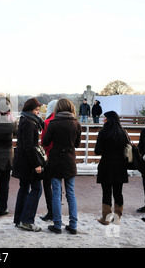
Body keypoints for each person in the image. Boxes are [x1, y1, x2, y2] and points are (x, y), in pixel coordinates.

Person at [42, 98, 81, 234]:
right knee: (71, 193)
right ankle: (73, 225)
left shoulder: (53, 123)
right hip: (70, 160)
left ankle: (57, 225)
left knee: (56, 193)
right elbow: (77, 144)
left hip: (56, 161)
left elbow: (45, 142)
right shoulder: (76, 124)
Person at [12, 98, 45, 232]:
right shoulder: (29, 123)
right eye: (37, 110)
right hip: (28, 163)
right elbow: (29, 146)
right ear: (31, 110)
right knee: (36, 189)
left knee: (24, 189)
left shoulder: (24, 121)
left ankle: (20, 219)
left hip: (23, 161)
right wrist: (36, 164)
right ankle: (26, 220)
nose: (38, 112)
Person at [93, 111, 129, 225]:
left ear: (109, 119)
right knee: (118, 192)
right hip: (120, 166)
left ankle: (106, 218)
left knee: (106, 192)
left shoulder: (103, 132)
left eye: (105, 118)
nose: (103, 120)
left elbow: (97, 151)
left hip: (106, 165)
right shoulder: (123, 133)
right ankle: (118, 217)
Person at [39, 99, 57, 222]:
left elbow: (43, 142)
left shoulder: (47, 122)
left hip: (49, 157)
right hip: (62, 158)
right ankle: (57, 212)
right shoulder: (70, 122)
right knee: (58, 186)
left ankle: (51, 211)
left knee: (47, 185)